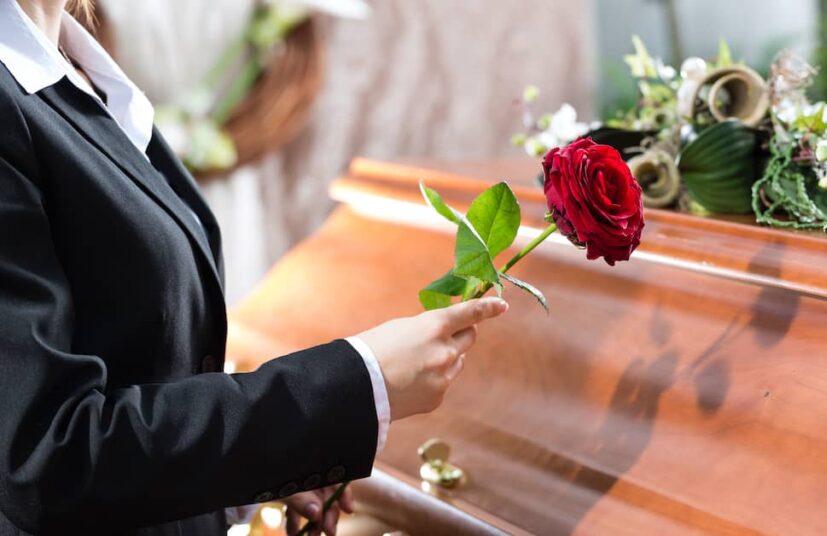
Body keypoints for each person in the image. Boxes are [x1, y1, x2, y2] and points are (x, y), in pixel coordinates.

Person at [0, 0, 509, 534]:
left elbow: (136, 370)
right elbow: (46, 460)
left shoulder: (80, 74)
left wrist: (264, 465)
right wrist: (358, 383)